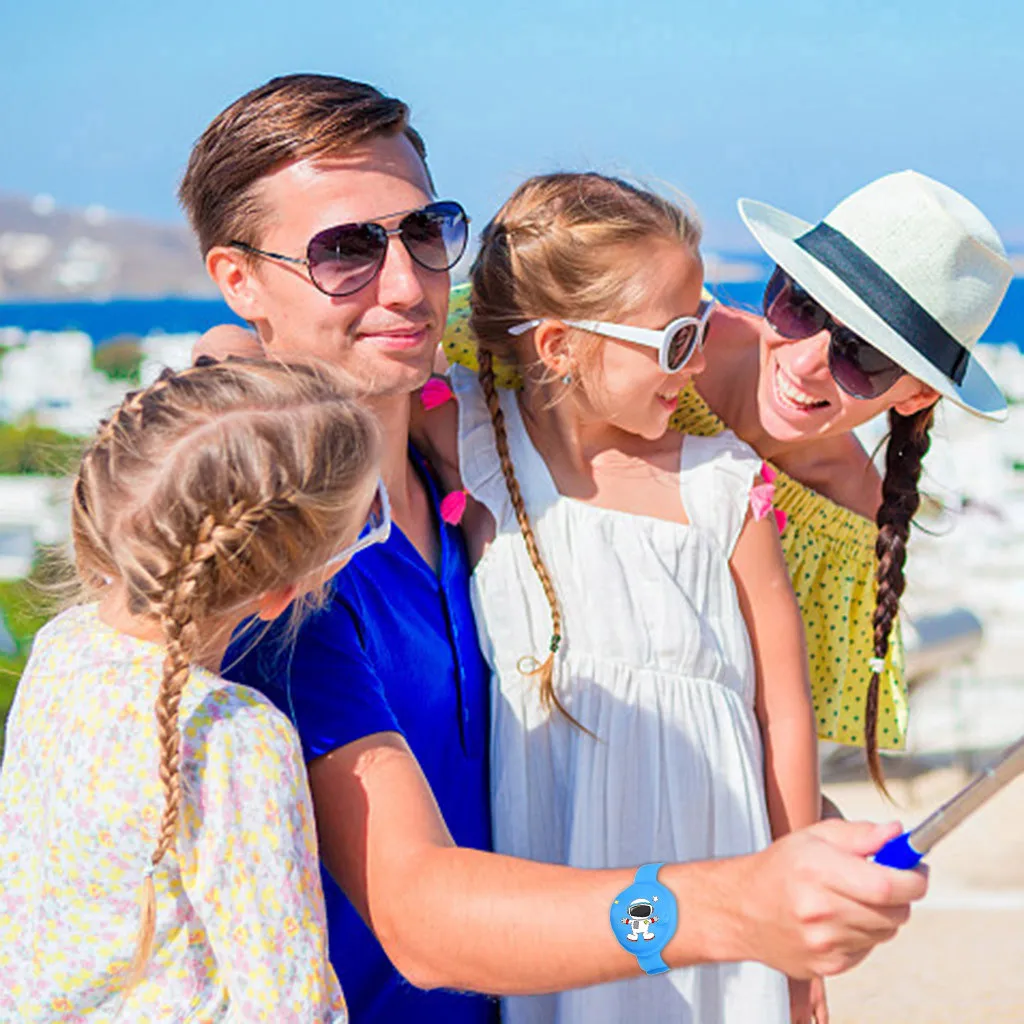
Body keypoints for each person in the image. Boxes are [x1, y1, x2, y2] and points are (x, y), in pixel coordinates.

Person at [187, 74, 928, 1024]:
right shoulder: (277, 569)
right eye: (345, 250)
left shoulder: (455, 486)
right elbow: (421, 919)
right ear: (239, 278)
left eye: (425, 232)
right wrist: (730, 908)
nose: (407, 284)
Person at [441, 168, 1013, 789]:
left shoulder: (842, 531)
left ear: (918, 394)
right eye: (801, 306)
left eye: (862, 354)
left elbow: (779, 738)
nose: (804, 362)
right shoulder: (634, 348)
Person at [419, 171, 822, 1023]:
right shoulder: (474, 444)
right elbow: (332, 377)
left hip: (722, 879)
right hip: (561, 890)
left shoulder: (724, 485)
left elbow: (783, 713)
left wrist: (797, 929)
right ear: (558, 345)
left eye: (702, 329)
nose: (698, 363)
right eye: (676, 340)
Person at [0, 358, 386, 1022]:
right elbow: (289, 1005)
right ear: (281, 592)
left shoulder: (61, 646)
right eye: (365, 529)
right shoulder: (233, 735)